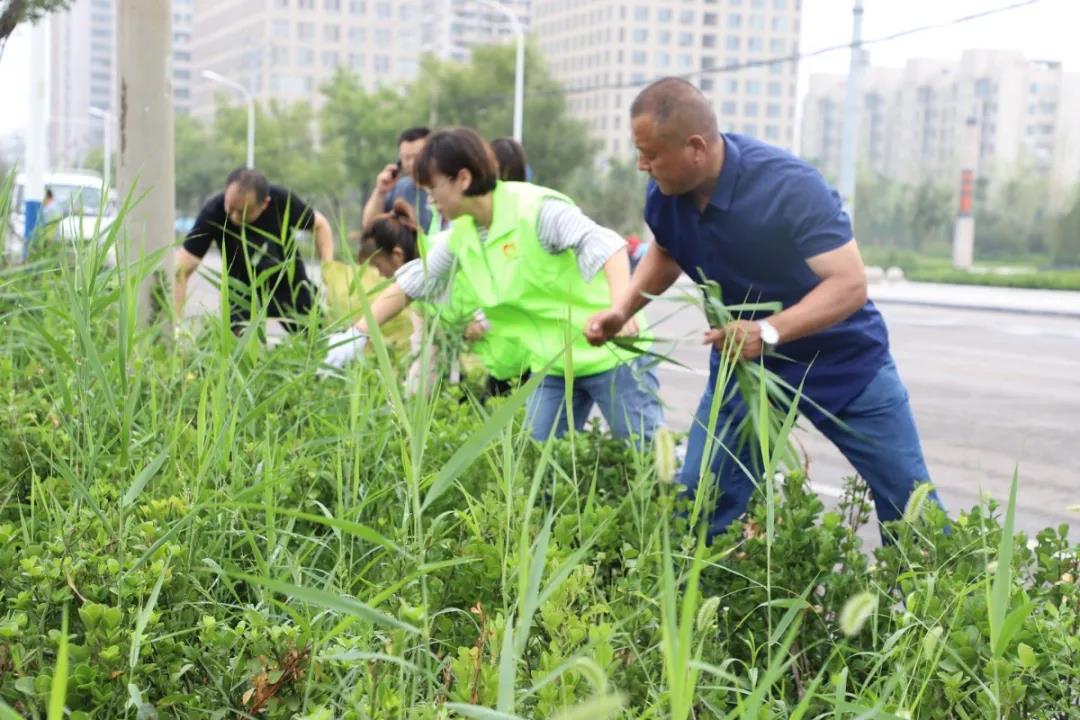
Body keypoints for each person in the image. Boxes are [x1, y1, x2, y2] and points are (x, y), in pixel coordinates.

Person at [586, 77, 942, 537]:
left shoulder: (788, 186)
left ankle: (954, 600)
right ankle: (699, 599)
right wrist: (622, 309)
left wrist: (768, 331)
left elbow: (850, 283)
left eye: (650, 154)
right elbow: (667, 249)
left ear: (695, 147)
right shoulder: (666, 192)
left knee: (910, 504)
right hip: (745, 368)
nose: (642, 165)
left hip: (842, 361)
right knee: (700, 501)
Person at [325, 128, 662, 442]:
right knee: (533, 467)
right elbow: (413, 282)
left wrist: (621, 308)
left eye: (433, 189)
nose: (430, 202)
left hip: (612, 355)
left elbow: (606, 245)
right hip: (553, 363)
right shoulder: (463, 234)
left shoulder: (535, 210)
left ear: (463, 179)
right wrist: (357, 333)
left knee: (642, 458)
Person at [175, 168, 335, 334]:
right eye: (230, 208)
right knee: (239, 354)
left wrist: (328, 270)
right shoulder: (212, 213)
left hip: (290, 286)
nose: (235, 217)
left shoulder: (280, 200)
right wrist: (176, 326)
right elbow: (180, 270)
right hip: (242, 293)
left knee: (319, 340)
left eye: (244, 212)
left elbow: (320, 225)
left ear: (265, 203)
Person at [362, 127, 438, 234]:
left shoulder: (445, 187)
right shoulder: (399, 188)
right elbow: (369, 225)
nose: (411, 163)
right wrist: (380, 192)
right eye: (406, 158)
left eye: (416, 157)